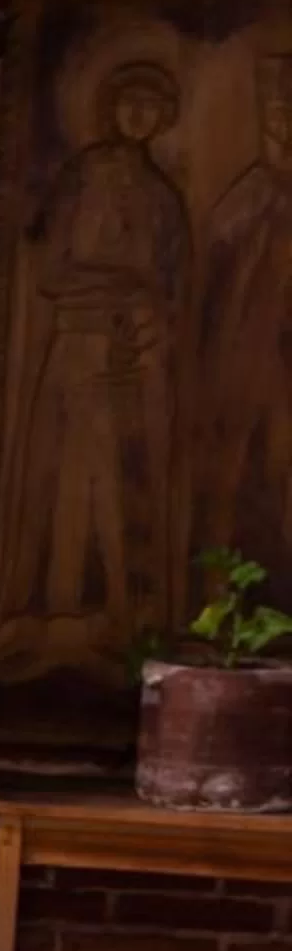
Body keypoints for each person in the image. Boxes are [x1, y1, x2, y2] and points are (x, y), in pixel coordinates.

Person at [0, 58, 188, 682]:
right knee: (66, 476)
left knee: (122, 481)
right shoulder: (80, 179)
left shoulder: (162, 196)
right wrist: (120, 289)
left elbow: (173, 287)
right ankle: (53, 613)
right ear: (110, 107)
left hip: (129, 357)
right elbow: (50, 270)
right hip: (76, 345)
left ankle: (122, 622)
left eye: (151, 106)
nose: (139, 116)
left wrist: (149, 314)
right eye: (130, 102)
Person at [191, 52, 292, 613]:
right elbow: (215, 263)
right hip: (249, 360)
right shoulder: (252, 193)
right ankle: (217, 600)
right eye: (278, 115)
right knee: (233, 475)